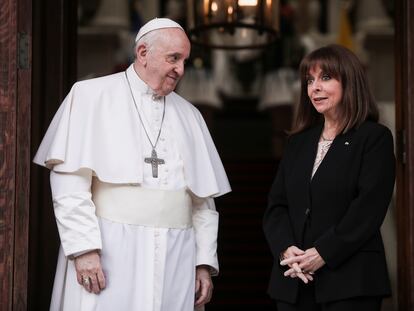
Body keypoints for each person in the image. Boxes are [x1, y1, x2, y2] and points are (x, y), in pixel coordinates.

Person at [33, 18, 231, 311]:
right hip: (111, 251)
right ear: (142, 53)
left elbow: (202, 202)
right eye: (173, 58)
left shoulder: (190, 115)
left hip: (176, 255)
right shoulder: (90, 96)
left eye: (184, 60)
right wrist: (84, 249)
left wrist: (203, 262)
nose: (181, 69)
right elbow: (69, 182)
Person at [263, 44, 395, 311]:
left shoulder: (374, 138)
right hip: (294, 280)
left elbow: (368, 207)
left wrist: (324, 252)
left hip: (351, 282)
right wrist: (286, 250)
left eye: (325, 78)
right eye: (309, 80)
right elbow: (277, 207)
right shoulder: (298, 143)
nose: (314, 88)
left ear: (349, 82)